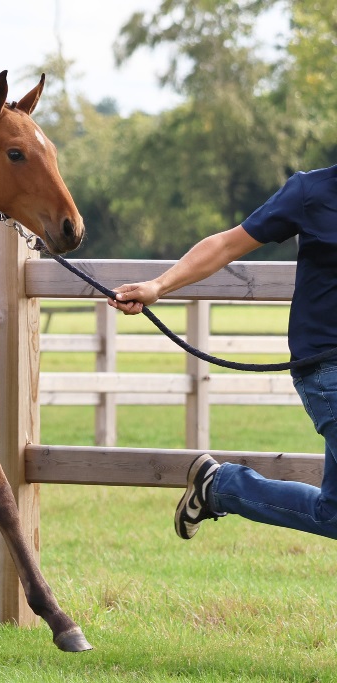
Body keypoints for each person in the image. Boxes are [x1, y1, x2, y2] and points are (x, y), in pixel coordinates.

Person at [107, 164, 337, 541]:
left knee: (332, 515)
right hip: (327, 369)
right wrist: (159, 286)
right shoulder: (311, 192)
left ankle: (220, 487)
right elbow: (227, 244)